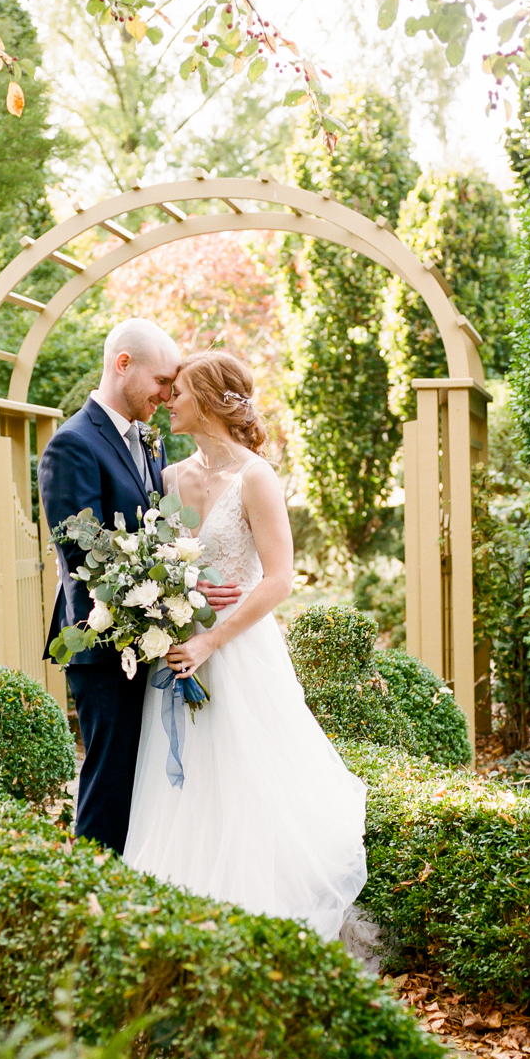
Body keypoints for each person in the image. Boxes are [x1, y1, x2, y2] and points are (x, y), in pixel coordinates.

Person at [123, 350, 368, 941]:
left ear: (208, 401)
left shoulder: (256, 478)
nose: (168, 400)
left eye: (179, 392)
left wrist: (211, 641)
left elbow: (279, 579)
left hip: (238, 651)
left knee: (245, 780)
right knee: (186, 786)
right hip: (178, 651)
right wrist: (174, 599)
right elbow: (155, 562)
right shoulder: (167, 478)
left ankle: (256, 918)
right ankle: (182, 920)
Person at [37, 320, 241, 855]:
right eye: (162, 381)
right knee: (110, 784)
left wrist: (184, 590)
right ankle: (90, 890)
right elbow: (85, 559)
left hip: (148, 641)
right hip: (103, 647)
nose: (168, 395)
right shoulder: (72, 445)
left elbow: (159, 533)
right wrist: (184, 583)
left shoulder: (148, 441)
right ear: (123, 364)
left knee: (144, 786)